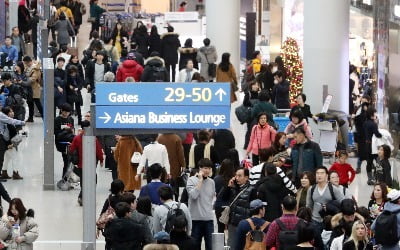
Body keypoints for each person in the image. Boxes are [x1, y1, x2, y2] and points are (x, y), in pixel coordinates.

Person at [220, 168, 256, 249]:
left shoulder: (252, 189)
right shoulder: (233, 188)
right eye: (236, 175)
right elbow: (223, 198)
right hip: (232, 223)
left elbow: (253, 209)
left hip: (244, 224)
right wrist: (228, 186)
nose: (237, 178)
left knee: (244, 246)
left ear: (246, 177)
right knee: (232, 245)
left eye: (240, 176)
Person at [69, 120, 104, 206]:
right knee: (92, 180)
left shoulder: (77, 138)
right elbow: (98, 150)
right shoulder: (93, 138)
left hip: (81, 165)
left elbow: (71, 150)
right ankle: (87, 197)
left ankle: (82, 198)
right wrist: (101, 160)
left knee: (83, 181)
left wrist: (73, 159)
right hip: (91, 164)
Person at [186, 158, 215, 250]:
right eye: (205, 168)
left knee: (210, 246)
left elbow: (210, 199)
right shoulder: (191, 180)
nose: (207, 171)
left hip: (209, 219)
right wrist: (200, 181)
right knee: (195, 246)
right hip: (195, 220)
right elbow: (193, 195)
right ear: (200, 168)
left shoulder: (212, 182)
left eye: (209, 168)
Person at [306, 166, 345, 235]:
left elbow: (343, 203)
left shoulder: (333, 189)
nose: (319, 175)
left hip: (330, 221)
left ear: (327, 176)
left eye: (322, 173)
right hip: (315, 220)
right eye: (317, 173)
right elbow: (309, 206)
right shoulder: (311, 189)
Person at [157, 133, 186, 201]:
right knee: (175, 183)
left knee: (164, 182)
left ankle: (164, 198)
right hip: (175, 164)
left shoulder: (160, 138)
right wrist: (183, 165)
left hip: (163, 164)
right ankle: (176, 199)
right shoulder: (176, 138)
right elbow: (180, 154)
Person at [1, 107, 23, 180]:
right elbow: (6, 135)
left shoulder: (6, 122)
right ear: (6, 114)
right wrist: (9, 144)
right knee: (15, 158)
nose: (12, 112)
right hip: (10, 144)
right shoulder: (8, 124)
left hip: (7, 145)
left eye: (12, 111)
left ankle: (4, 172)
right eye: (10, 111)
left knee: (7, 158)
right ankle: (15, 173)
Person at [214, 159, 235, 233]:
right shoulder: (233, 179)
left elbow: (216, 192)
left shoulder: (216, 179)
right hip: (230, 205)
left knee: (220, 229)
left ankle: (221, 244)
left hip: (219, 205)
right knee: (231, 229)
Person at [363, 107, 382, 185]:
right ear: (372, 114)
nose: (376, 114)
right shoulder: (373, 124)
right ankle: (379, 178)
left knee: (369, 162)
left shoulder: (365, 123)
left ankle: (370, 179)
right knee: (378, 162)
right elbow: (377, 135)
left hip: (367, 144)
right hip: (373, 146)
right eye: (375, 113)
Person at [22, 56, 43, 122]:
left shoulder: (35, 68)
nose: (25, 64)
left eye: (26, 63)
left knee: (37, 103)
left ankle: (44, 117)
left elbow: (34, 79)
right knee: (30, 103)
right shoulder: (27, 68)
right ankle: (31, 118)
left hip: (35, 88)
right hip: (29, 89)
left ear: (29, 62)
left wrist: (26, 80)